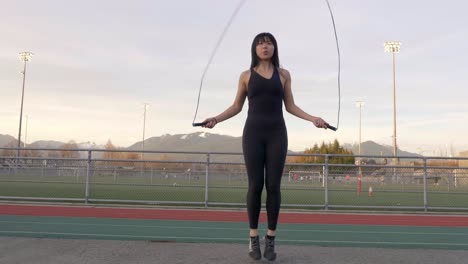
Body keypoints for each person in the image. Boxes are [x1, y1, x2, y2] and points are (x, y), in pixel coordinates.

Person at [201, 32, 330, 261]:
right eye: (260, 43)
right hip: (253, 134)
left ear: (274, 48)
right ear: (254, 49)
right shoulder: (245, 76)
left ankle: (270, 238)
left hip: (277, 134)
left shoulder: (283, 75)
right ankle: (253, 238)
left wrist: (313, 118)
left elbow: (290, 106)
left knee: (273, 186)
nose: (265, 46)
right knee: (255, 186)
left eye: (268, 43)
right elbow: (236, 106)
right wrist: (216, 119)